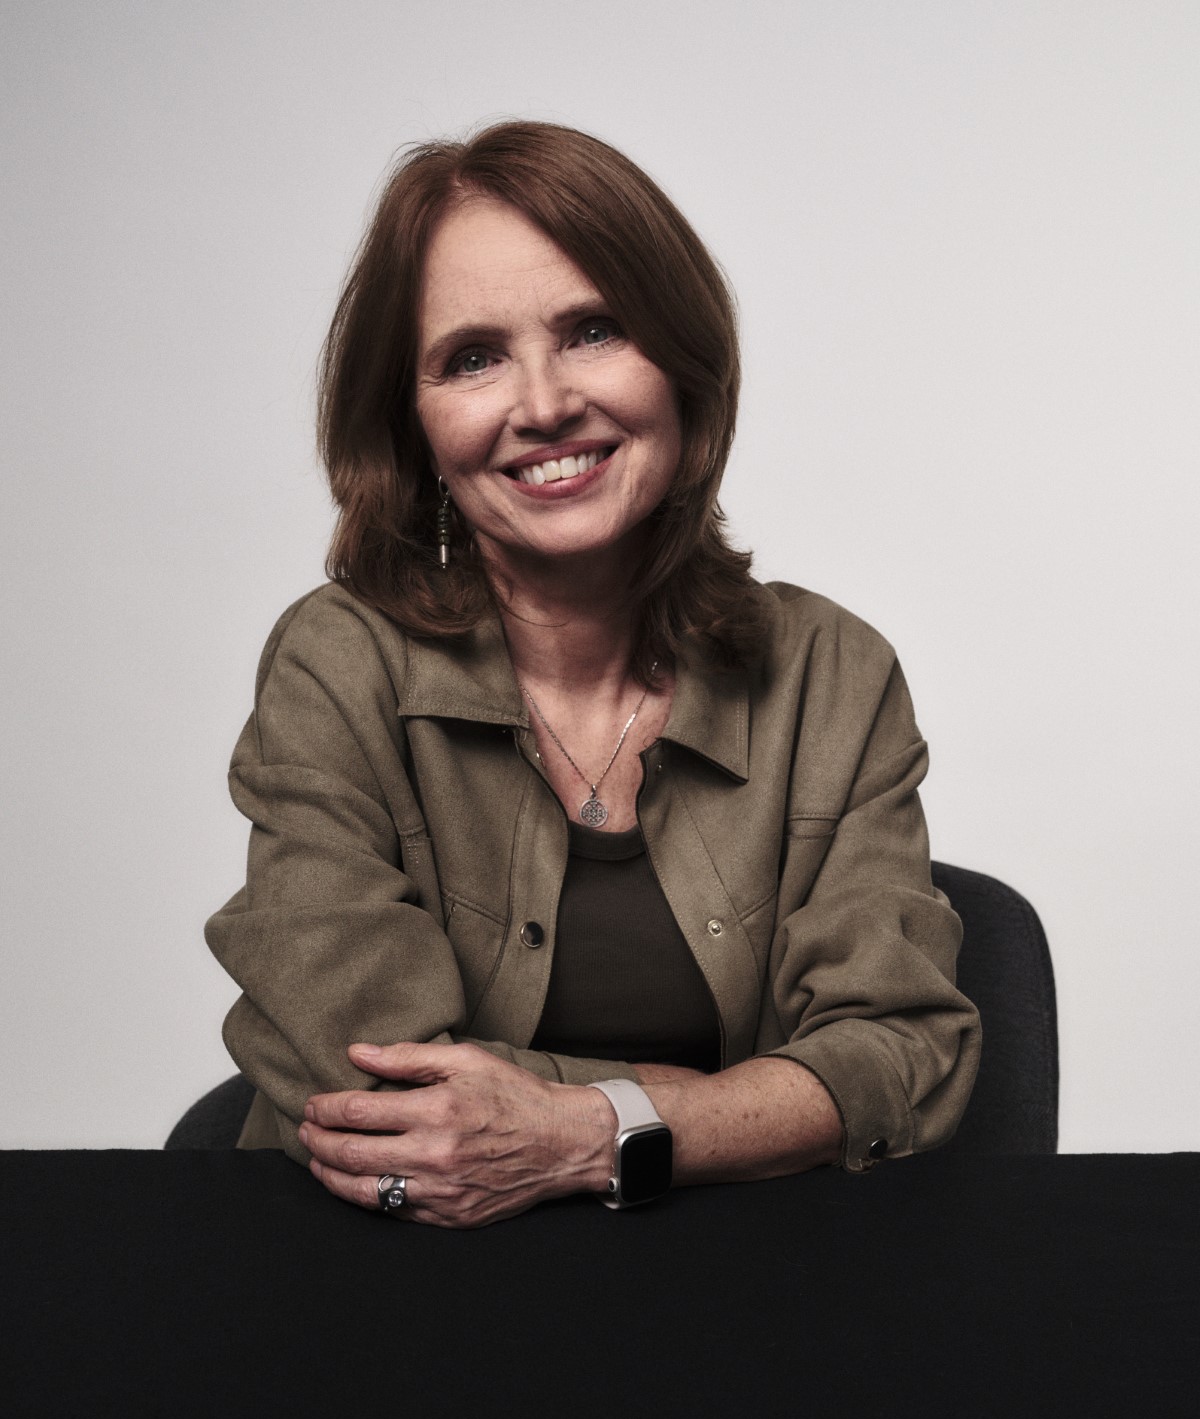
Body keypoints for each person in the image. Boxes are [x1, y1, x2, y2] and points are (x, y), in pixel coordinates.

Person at [205, 121, 981, 1227]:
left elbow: (905, 1055)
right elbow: (391, 1100)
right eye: (473, 358)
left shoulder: (833, 675)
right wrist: (736, 1108)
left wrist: (585, 1134)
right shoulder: (338, 664)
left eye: (594, 330)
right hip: (392, 1273)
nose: (543, 404)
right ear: (413, 423)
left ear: (683, 364)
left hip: (742, 1286)